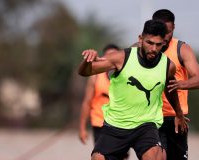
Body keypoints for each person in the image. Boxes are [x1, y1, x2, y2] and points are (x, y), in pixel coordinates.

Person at [78, 19, 188, 160]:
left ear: (164, 43)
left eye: (158, 44)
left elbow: (170, 88)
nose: (154, 49)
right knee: (97, 158)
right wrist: (87, 60)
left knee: (155, 157)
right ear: (140, 39)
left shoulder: (168, 66)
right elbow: (84, 72)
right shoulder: (121, 58)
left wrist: (178, 113)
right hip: (116, 125)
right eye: (149, 43)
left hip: (146, 125)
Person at [153, 9, 199, 160]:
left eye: (168, 32)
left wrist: (179, 84)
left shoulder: (181, 49)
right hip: (151, 117)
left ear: (174, 28)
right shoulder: (144, 48)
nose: (164, 36)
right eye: (161, 31)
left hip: (177, 118)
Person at [78, 44, 120, 144]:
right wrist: (82, 128)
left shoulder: (125, 77)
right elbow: (87, 102)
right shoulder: (95, 77)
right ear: (102, 59)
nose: (112, 60)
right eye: (109, 57)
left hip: (120, 125)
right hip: (100, 124)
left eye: (114, 56)